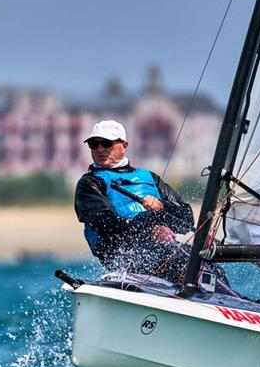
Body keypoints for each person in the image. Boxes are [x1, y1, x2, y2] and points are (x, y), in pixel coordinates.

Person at [74, 120, 197, 284]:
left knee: (204, 266)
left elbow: (186, 219)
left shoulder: (149, 177)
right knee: (178, 263)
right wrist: (151, 228)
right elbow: (106, 225)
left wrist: (162, 207)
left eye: (106, 143)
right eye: (94, 144)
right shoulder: (90, 183)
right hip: (122, 253)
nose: (100, 149)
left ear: (124, 146)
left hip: (164, 248)